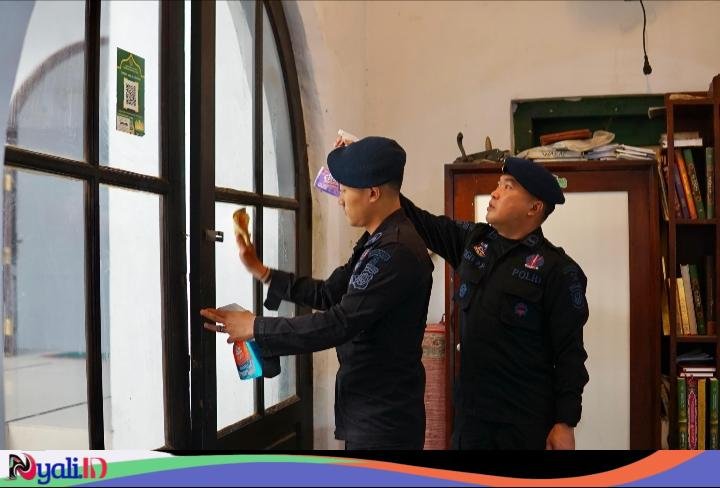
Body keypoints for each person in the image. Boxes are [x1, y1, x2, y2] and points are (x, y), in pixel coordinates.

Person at [201, 136, 434, 450]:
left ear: (372, 193)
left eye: (346, 190)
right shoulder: (377, 240)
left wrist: (256, 327)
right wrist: (263, 271)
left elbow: (339, 323)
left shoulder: (395, 250)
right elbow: (328, 293)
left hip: (384, 422)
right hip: (368, 411)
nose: (340, 200)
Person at [399, 156, 589, 450]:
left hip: (522, 425)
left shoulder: (559, 271)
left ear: (534, 208)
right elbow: (421, 221)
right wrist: (373, 175)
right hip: (470, 421)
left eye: (508, 187)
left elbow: (570, 355)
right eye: (498, 184)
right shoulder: (474, 242)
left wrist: (565, 423)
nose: (495, 193)